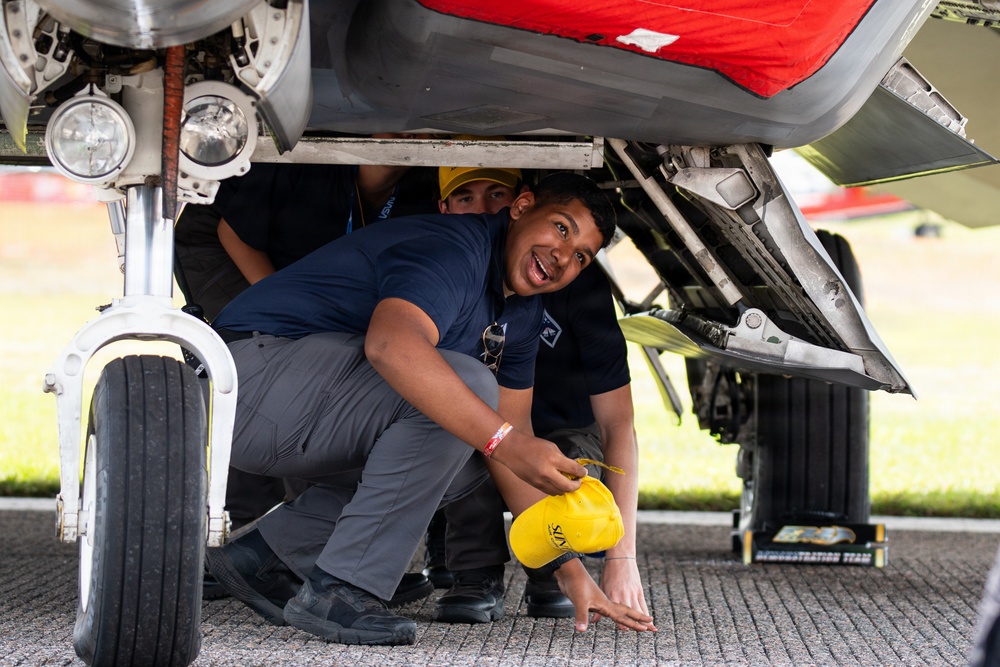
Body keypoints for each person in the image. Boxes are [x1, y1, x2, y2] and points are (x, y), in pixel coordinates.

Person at [204, 172, 655, 646]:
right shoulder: (453, 248)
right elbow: (392, 345)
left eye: (582, 255)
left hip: (294, 411)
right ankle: (343, 589)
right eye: (562, 229)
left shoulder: (520, 316)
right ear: (521, 208)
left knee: (468, 451)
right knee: (470, 392)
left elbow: (512, 435)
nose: (564, 256)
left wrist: (569, 570)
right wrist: (508, 442)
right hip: (246, 382)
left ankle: (270, 556)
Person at [425, 166, 648, 628]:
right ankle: (475, 571)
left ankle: (552, 571)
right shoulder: (454, 269)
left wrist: (621, 555)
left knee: (573, 464)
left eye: (496, 195)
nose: (486, 211)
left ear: (521, 202)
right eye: (466, 198)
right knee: (460, 440)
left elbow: (618, 424)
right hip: (485, 430)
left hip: (561, 430)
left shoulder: (581, 287)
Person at [174, 159, 436, 534]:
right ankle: (248, 530)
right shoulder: (316, 155)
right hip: (221, 246)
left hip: (292, 260)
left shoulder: (421, 182)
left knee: (319, 364)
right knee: (263, 371)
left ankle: (290, 536)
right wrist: (290, 311)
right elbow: (236, 235)